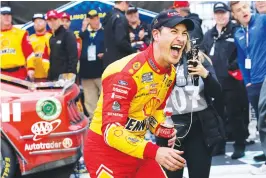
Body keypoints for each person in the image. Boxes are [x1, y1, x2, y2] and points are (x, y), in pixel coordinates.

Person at [83, 9, 195, 178]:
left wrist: (162, 129)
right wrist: (155, 151)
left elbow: (154, 110)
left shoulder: (170, 72)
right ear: (156, 35)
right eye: (174, 31)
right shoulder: (125, 73)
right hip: (105, 151)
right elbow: (111, 131)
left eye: (184, 33)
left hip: (137, 148)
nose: (181, 38)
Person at [200, 2, 249, 159]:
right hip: (215, 82)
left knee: (236, 115)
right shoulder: (209, 34)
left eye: (223, 12)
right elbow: (202, 52)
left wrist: (233, 66)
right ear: (214, 15)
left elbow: (245, 50)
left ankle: (240, 145)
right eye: (217, 13)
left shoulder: (236, 31)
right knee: (217, 116)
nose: (220, 16)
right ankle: (219, 146)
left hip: (233, 82)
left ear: (229, 14)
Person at [230, 1, 266, 174]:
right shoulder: (238, 33)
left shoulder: (263, 20)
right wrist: (248, 81)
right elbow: (243, 60)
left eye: (244, 7)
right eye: (238, 10)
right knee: (261, 123)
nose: (243, 11)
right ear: (234, 15)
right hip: (253, 84)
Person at [79, 9, 104, 118]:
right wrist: (84, 28)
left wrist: (105, 54)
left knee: (105, 97)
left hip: (101, 70)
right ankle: (93, 121)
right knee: (89, 99)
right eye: (92, 19)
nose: (95, 21)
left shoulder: (105, 31)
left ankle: (106, 119)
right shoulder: (83, 34)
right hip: (87, 71)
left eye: (96, 18)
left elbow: (111, 48)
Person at [0, 6, 35, 80]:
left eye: (9, 15)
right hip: (2, 75)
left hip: (19, 73)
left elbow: (30, 53)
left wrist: (31, 68)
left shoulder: (21, 33)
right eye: (4, 15)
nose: (7, 17)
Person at [102, 1, 135, 70]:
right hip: (119, 62)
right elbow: (121, 41)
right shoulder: (120, 18)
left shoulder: (109, 15)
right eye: (127, 3)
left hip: (108, 62)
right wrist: (133, 51)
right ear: (123, 2)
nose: (128, 6)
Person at [46, 10, 78, 81]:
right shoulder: (52, 38)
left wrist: (70, 76)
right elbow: (52, 59)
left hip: (66, 78)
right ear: (47, 23)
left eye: (55, 19)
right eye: (50, 20)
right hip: (54, 77)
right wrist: (50, 76)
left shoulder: (68, 34)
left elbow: (73, 57)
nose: (52, 22)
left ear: (60, 20)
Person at [29, 13, 51, 82]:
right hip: (33, 78)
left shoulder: (51, 38)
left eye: (40, 21)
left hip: (49, 77)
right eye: (35, 22)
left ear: (46, 22)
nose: (38, 23)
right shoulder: (29, 39)